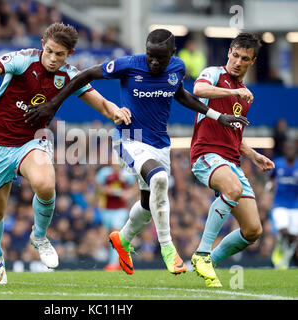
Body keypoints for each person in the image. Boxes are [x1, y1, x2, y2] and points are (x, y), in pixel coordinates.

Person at [24, 28, 248, 275]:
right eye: (150, 55)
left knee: (147, 203)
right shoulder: (130, 65)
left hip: (160, 143)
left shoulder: (177, 68)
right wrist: (53, 104)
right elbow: (85, 75)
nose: (152, 61)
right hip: (130, 138)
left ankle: (123, 239)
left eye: (159, 58)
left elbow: (181, 95)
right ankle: (168, 248)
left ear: (172, 54)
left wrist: (217, 116)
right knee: (160, 179)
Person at [0, 22, 130, 284]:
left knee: (45, 184)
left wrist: (116, 111)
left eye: (59, 54)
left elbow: (103, 104)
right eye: (49, 51)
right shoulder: (23, 60)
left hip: (32, 141)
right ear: (42, 45)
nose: (52, 59)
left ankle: (39, 237)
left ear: (69, 54)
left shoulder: (71, 75)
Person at [189, 32, 275, 287]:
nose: (237, 61)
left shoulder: (246, 95)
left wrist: (254, 155)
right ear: (229, 52)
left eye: (244, 58)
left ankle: (208, 261)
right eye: (235, 55)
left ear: (252, 61)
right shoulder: (214, 74)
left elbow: (235, 135)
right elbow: (197, 89)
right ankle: (202, 252)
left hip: (231, 160)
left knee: (253, 231)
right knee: (233, 188)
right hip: (205, 153)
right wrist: (234, 91)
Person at [95, 157, 136, 271]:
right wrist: (107, 190)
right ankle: (119, 259)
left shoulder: (127, 175)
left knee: (115, 232)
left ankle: (114, 263)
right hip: (106, 209)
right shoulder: (104, 173)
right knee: (106, 237)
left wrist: (128, 194)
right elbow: (98, 187)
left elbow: (135, 188)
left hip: (120, 209)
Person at [270, 139, 298, 269]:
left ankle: (285, 259)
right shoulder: (278, 164)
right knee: (284, 230)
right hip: (279, 204)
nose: (290, 150)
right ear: (285, 150)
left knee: (294, 236)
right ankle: (280, 247)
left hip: (295, 206)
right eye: (288, 148)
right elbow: (270, 180)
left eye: (292, 148)